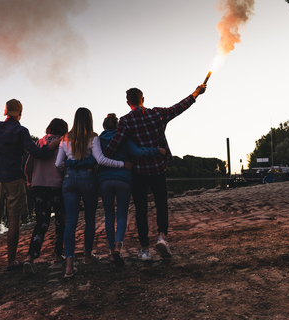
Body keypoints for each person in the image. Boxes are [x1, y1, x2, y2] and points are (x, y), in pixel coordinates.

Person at [103, 84, 207, 260]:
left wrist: (109, 156)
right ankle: (161, 238)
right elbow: (180, 107)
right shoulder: (158, 113)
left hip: (139, 172)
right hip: (158, 169)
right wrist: (196, 93)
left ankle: (144, 249)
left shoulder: (126, 121)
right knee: (161, 205)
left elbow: (114, 146)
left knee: (141, 209)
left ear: (128, 102)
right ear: (143, 99)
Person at [0, 99, 59, 279]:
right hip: (14, 180)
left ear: (5, 112)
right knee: (14, 221)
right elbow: (36, 153)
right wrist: (57, 141)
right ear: (20, 114)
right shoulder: (21, 131)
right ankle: (11, 261)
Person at [55, 107, 131, 278]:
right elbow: (101, 160)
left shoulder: (64, 138)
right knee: (89, 219)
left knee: (71, 222)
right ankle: (88, 256)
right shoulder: (93, 137)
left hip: (68, 180)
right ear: (89, 120)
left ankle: (69, 266)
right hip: (88, 178)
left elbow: (58, 164)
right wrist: (122, 164)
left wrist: (71, 165)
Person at [99, 113, 165, 266]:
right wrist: (157, 150)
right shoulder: (124, 137)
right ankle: (117, 247)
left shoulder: (99, 139)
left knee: (109, 216)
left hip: (105, 180)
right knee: (122, 215)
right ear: (118, 126)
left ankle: (111, 253)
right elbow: (138, 152)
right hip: (124, 179)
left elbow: (96, 157)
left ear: (104, 126)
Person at [23, 118, 69, 274]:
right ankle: (57, 255)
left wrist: (29, 181)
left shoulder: (39, 142)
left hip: (39, 186)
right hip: (57, 186)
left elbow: (28, 165)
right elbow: (65, 165)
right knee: (60, 220)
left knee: (41, 223)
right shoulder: (63, 142)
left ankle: (30, 257)